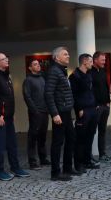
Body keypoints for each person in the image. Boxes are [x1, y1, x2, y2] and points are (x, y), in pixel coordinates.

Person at [0, 53, 29, 181]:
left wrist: (11, 114)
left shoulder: (7, 76)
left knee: (12, 144)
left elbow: (9, 98)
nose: (7, 60)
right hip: (0, 118)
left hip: (9, 117)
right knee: (0, 146)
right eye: (3, 59)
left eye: (7, 58)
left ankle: (15, 167)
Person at [44, 47, 80, 181]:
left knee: (71, 138)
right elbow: (48, 93)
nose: (68, 56)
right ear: (56, 58)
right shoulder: (54, 71)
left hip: (66, 111)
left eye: (68, 54)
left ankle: (67, 168)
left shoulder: (61, 71)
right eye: (65, 54)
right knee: (58, 142)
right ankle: (55, 173)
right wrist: (54, 113)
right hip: (59, 112)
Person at [69, 53, 100, 171]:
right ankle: (79, 163)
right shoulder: (74, 76)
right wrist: (79, 109)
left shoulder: (89, 74)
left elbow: (92, 91)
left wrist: (96, 105)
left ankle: (87, 160)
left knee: (90, 137)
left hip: (92, 109)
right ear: (84, 62)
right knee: (80, 138)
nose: (92, 64)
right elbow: (74, 95)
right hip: (83, 111)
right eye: (91, 62)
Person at [22, 59, 50, 170]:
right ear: (30, 68)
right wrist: (34, 110)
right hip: (35, 113)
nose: (38, 66)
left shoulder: (42, 78)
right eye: (35, 64)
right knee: (33, 137)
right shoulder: (28, 80)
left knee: (42, 136)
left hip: (44, 111)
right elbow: (27, 96)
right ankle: (32, 162)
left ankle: (43, 159)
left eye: (38, 64)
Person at [90, 51, 111, 163]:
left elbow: (106, 87)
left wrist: (108, 102)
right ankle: (88, 156)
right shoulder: (90, 73)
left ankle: (102, 154)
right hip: (96, 107)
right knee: (91, 131)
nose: (104, 62)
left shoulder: (103, 71)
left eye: (104, 60)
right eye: (102, 60)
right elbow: (90, 91)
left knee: (102, 131)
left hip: (105, 106)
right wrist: (95, 105)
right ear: (95, 60)